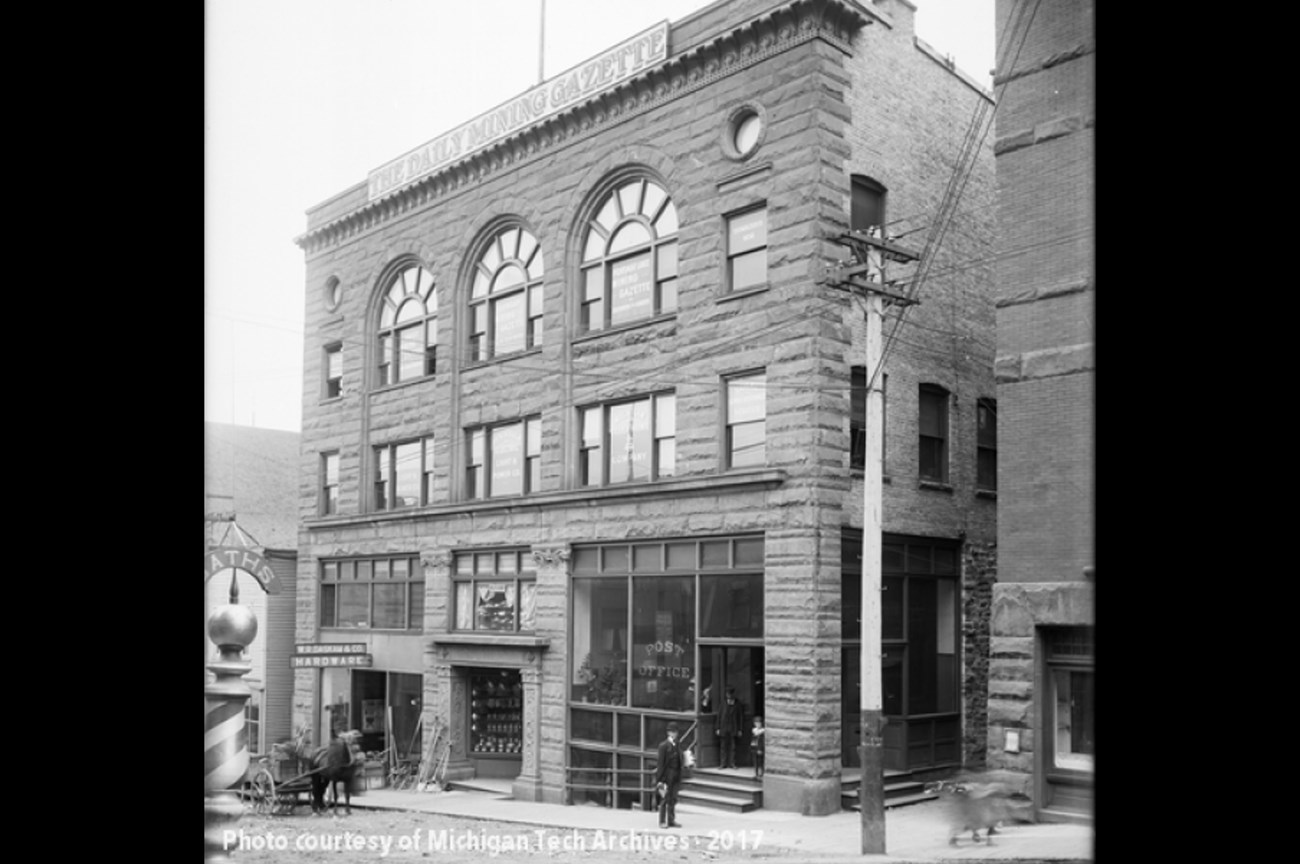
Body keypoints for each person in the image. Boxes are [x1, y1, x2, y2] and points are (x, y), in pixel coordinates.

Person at [654, 722, 684, 828]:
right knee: (664, 799)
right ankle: (662, 821)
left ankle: (671, 819)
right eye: (671, 732)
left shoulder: (678, 744)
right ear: (668, 733)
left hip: (676, 774)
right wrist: (660, 780)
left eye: (674, 732)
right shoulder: (663, 746)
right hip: (667, 775)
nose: (673, 734)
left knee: (673, 798)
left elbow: (680, 759)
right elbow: (661, 764)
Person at [716, 687, 743, 769]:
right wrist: (717, 728)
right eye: (728, 697)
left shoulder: (738, 705)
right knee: (723, 747)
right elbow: (719, 716)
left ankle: (732, 763)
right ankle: (723, 763)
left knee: (733, 747)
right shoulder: (723, 704)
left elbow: (740, 718)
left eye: (730, 697)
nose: (729, 699)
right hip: (724, 728)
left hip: (733, 728)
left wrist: (740, 729)